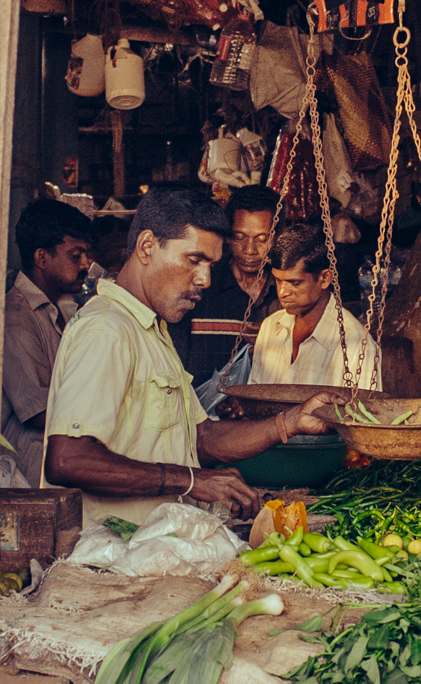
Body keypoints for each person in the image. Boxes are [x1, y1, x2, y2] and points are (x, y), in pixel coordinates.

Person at [43, 186, 341, 524]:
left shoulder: (152, 332)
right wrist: (190, 481)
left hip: (154, 549)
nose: (205, 279)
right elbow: (68, 459)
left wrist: (292, 421)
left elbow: (201, 437)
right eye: (194, 260)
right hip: (111, 553)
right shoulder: (107, 330)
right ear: (147, 247)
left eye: (211, 264)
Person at [2, 199, 94, 487]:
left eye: (86, 254)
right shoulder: (16, 316)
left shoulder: (57, 310)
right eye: (75, 255)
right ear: (42, 258)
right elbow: (38, 412)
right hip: (31, 472)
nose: (85, 264)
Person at [247, 223, 381, 389]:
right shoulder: (270, 327)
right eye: (278, 280)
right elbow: (255, 394)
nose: (282, 292)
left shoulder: (357, 345)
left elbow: (363, 413)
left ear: (324, 279)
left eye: (294, 283)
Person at [174, 184, 280, 385]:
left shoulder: (287, 293)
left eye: (262, 239)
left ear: (275, 239)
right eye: (239, 237)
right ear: (228, 238)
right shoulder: (200, 287)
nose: (250, 249)